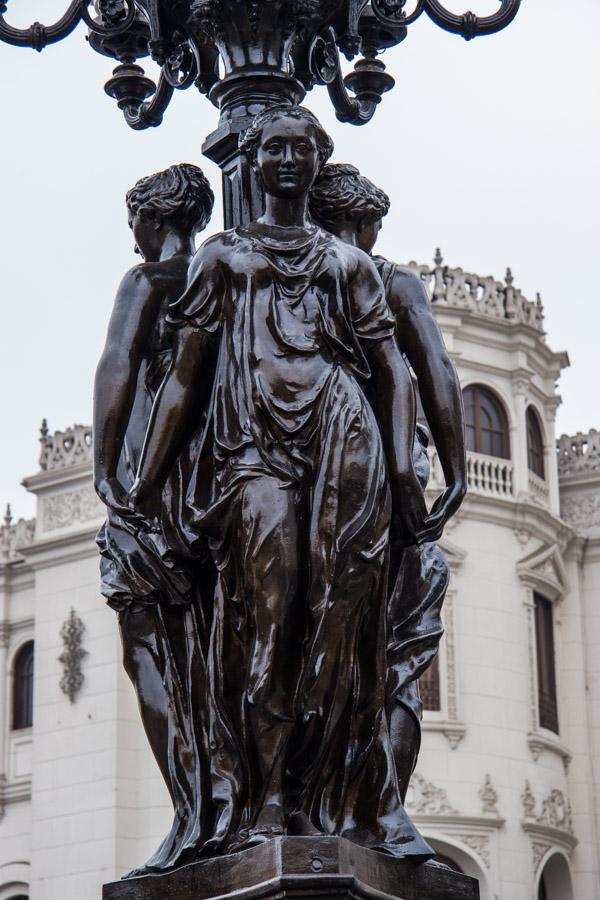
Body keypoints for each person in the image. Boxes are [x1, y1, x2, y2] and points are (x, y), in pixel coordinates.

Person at [128, 105, 434, 861]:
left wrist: (403, 467)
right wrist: (145, 482)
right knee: (268, 621)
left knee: (340, 628)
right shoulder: (222, 258)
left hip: (343, 436)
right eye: (275, 148)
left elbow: (393, 370)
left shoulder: (349, 266)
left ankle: (338, 801)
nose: (290, 160)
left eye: (303, 148)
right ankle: (263, 798)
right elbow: (183, 383)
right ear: (254, 162)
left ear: (317, 157)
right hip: (252, 451)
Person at [309, 163, 466, 798]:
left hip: (308, 476)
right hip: (384, 478)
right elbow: (436, 373)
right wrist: (448, 470)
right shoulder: (390, 280)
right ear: (370, 221)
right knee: (398, 653)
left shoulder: (289, 282)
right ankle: (381, 808)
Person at [93, 164, 215, 873]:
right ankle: (217, 806)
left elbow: (117, 367)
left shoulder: (150, 283)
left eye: (135, 215)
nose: (132, 230)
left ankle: (193, 812)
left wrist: (109, 470)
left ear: (153, 217)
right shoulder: (227, 281)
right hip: (210, 493)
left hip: (150, 489)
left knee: (150, 654)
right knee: (207, 660)